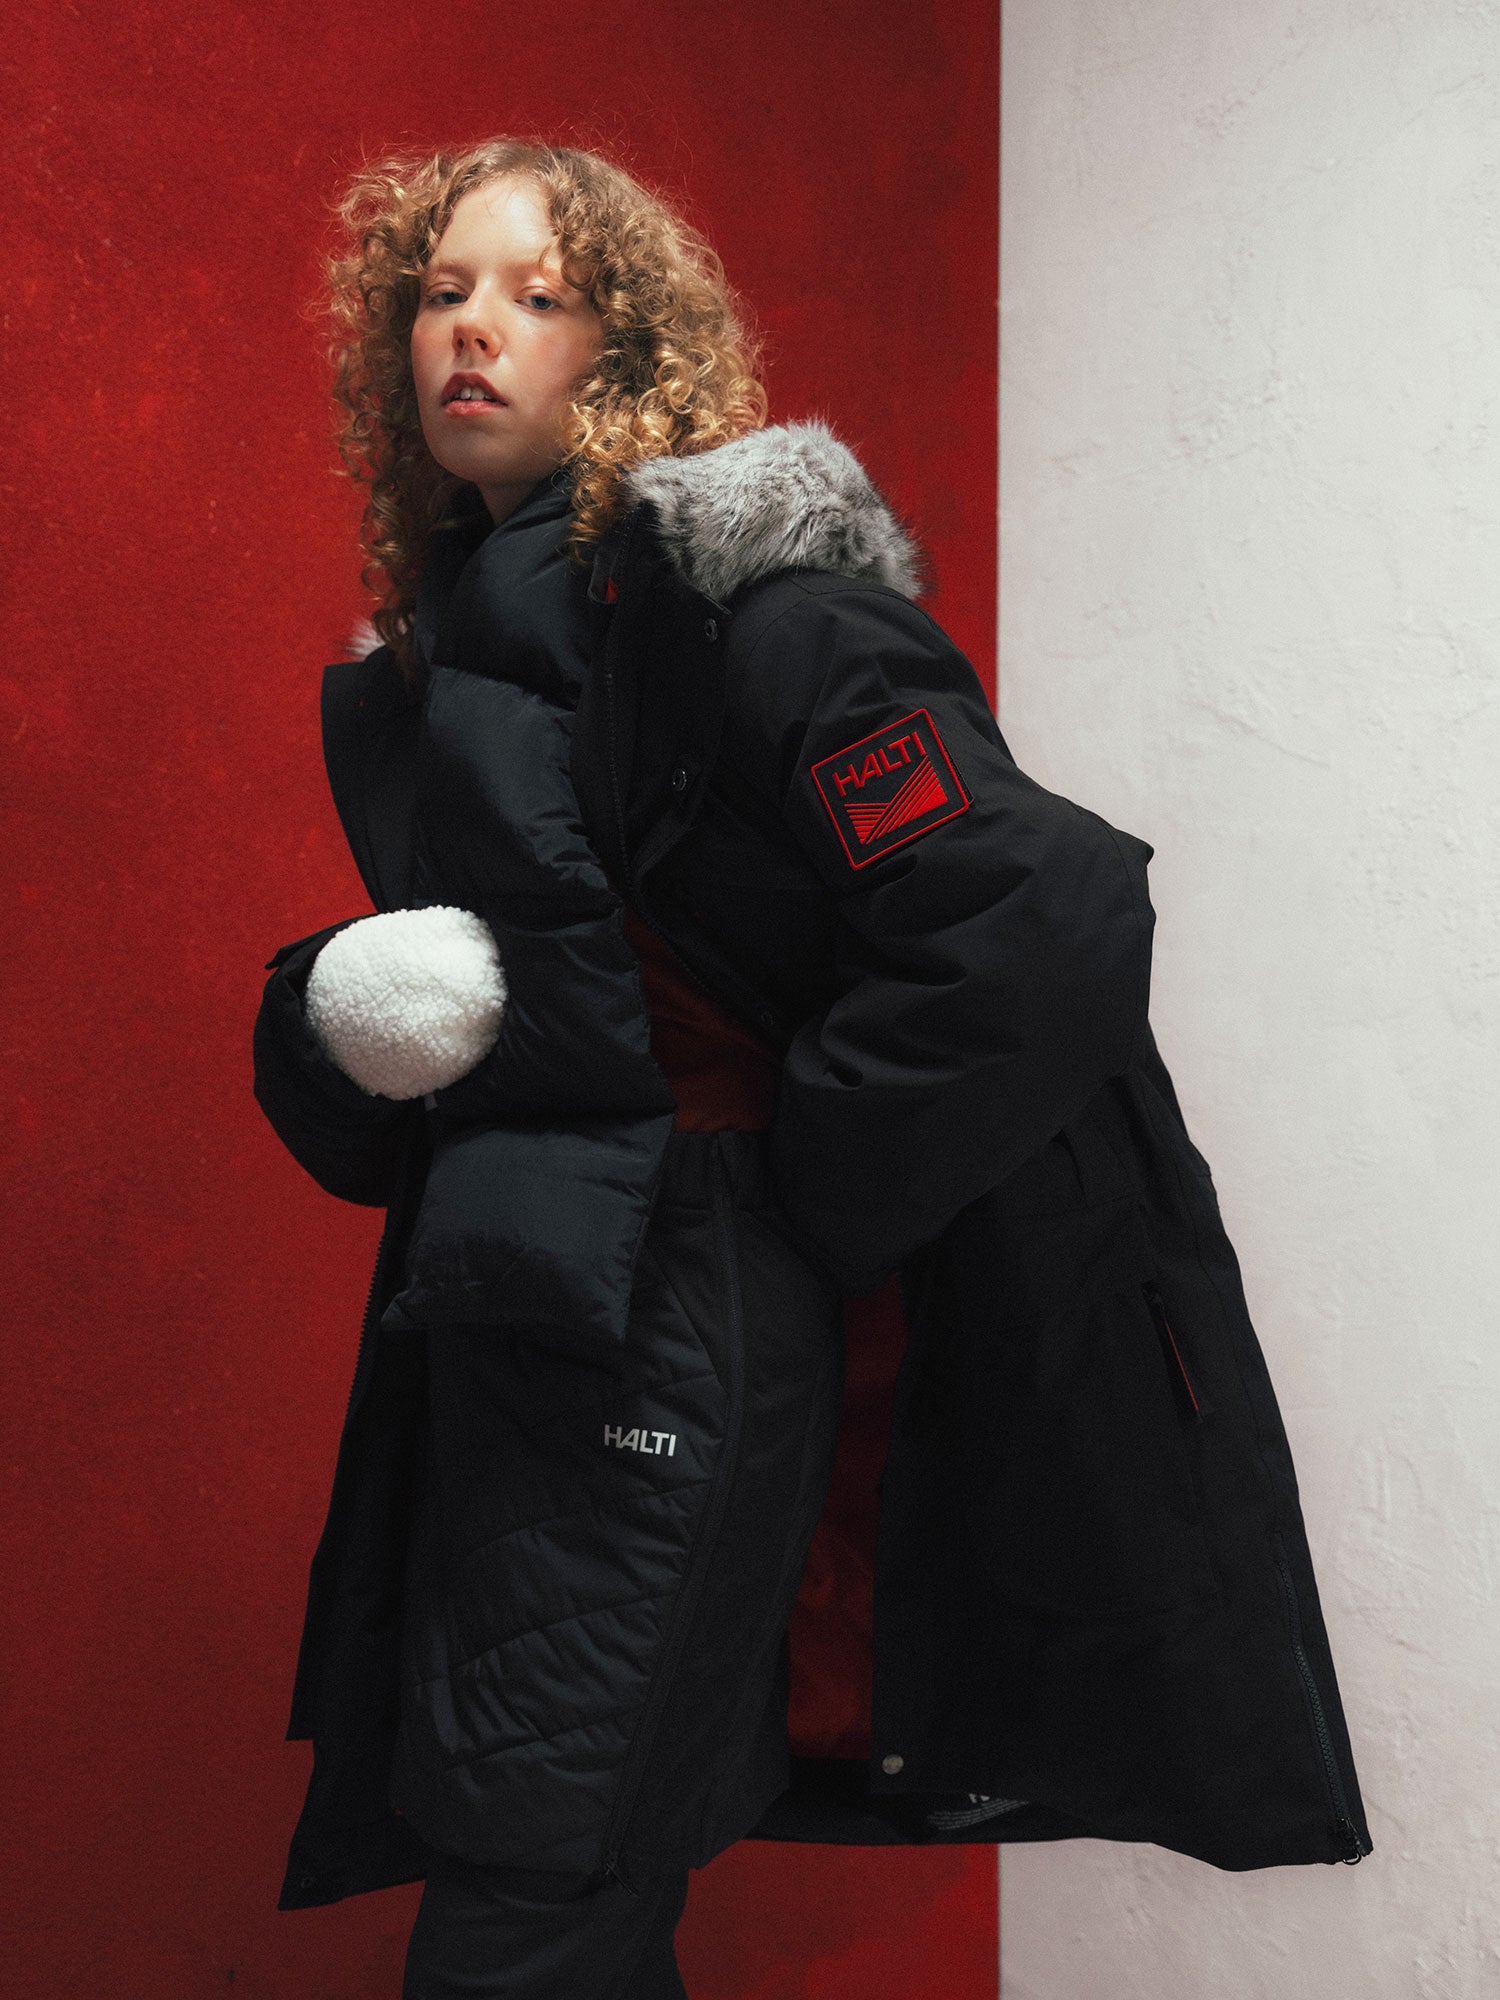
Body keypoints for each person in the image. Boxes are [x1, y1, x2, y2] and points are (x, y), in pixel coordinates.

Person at [252, 138, 1372, 1999]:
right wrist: (332, 1015)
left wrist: (788, 1200)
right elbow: (499, 1037)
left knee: (537, 1886)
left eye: (542, 295)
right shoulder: (414, 674)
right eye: (443, 289)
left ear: (631, 353)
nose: (475, 331)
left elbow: (1041, 916)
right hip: (516, 1320)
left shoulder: (758, 620)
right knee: (559, 1869)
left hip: (678, 1316)